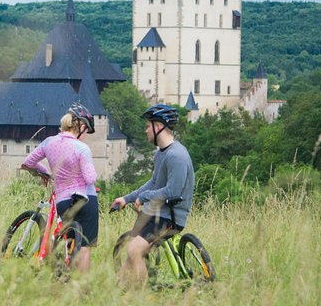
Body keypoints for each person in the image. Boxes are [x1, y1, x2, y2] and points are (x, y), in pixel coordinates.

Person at [109, 104, 194, 287]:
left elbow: (173, 191)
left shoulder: (176, 156)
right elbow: (154, 183)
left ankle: (143, 297)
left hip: (170, 216)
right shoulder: (161, 154)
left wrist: (145, 196)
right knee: (131, 256)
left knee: (134, 251)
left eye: (148, 125)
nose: (145, 129)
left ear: (158, 127)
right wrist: (127, 198)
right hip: (157, 213)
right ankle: (116, 294)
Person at [21, 101, 98, 272]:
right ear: (79, 125)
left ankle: (63, 275)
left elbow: (27, 163)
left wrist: (44, 173)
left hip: (63, 201)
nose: (86, 134)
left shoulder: (49, 142)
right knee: (84, 247)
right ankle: (82, 288)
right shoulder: (82, 148)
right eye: (86, 130)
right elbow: (90, 177)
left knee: (69, 241)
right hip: (86, 199)